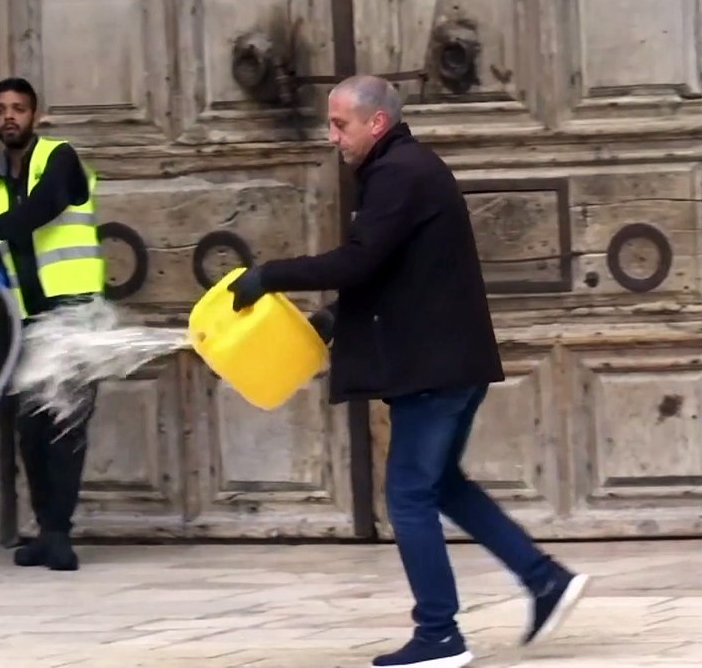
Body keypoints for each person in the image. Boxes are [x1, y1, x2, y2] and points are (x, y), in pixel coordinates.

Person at [227, 75, 589, 668]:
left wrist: (270, 274)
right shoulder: (406, 170)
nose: (331, 136)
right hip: (449, 362)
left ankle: (440, 634)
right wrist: (331, 320)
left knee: (408, 495)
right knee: (442, 484)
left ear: (376, 122)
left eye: (340, 124)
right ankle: (544, 580)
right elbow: (396, 272)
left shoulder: (399, 174)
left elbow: (360, 260)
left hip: (432, 368)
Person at [0, 77, 105, 572]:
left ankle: (59, 534)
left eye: (19, 109)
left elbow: (43, 208)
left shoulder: (60, 158)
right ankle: (45, 529)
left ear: (36, 115)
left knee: (66, 422)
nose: (10, 117)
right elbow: (8, 234)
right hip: (27, 316)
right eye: (1, 109)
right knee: (30, 428)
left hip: (73, 309)